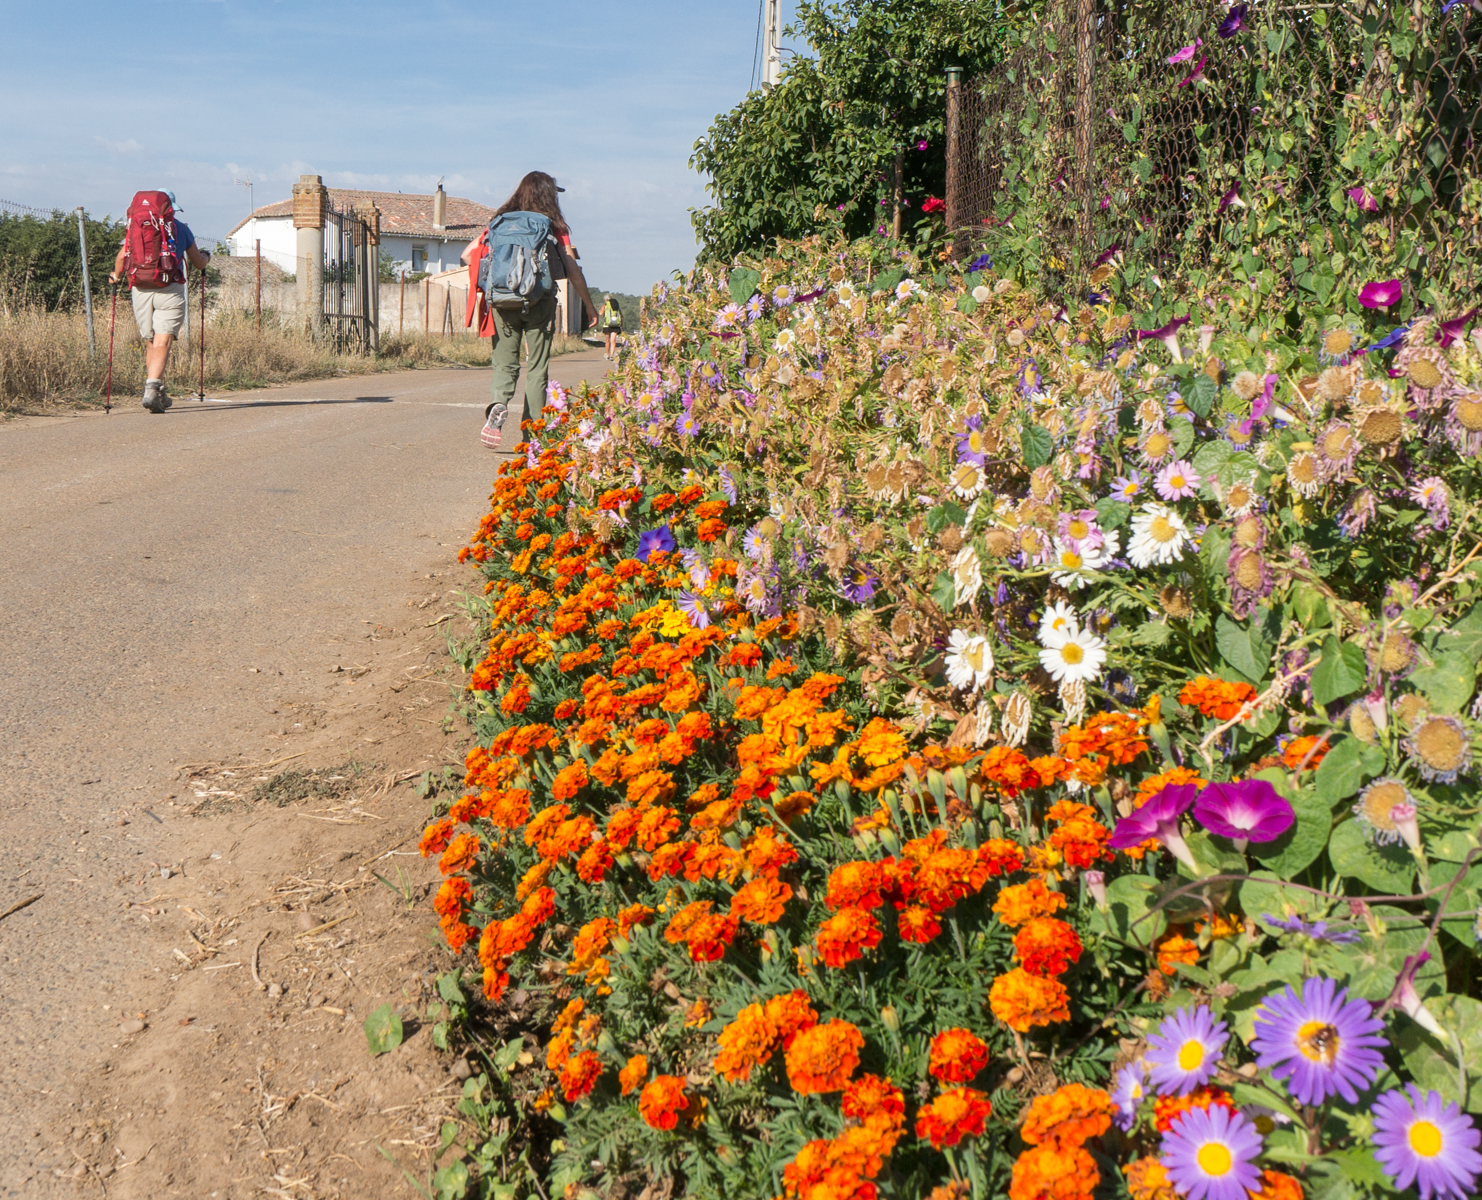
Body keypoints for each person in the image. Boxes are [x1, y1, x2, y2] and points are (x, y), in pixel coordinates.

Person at [462, 171, 598, 449]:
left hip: (502, 302)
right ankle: (531, 434)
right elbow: (572, 267)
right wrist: (588, 305)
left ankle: (498, 403)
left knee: (505, 364)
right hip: (539, 303)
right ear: (549, 195)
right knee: (537, 368)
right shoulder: (554, 226)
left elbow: (467, 254)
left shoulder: (499, 221)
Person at [108, 191, 212, 413]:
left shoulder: (136, 227)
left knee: (151, 341)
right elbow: (198, 263)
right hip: (170, 287)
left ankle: (157, 390)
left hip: (140, 287)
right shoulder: (180, 228)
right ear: (169, 208)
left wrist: (115, 276)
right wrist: (206, 257)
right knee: (163, 341)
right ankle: (152, 389)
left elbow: (121, 257)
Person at [600, 293, 623, 360]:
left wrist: (600, 311)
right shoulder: (616, 305)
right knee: (613, 340)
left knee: (607, 341)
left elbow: (601, 313)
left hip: (607, 325)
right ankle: (612, 355)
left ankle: (607, 354)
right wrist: (621, 325)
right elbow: (621, 315)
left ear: (606, 299)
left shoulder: (605, 305)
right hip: (615, 325)